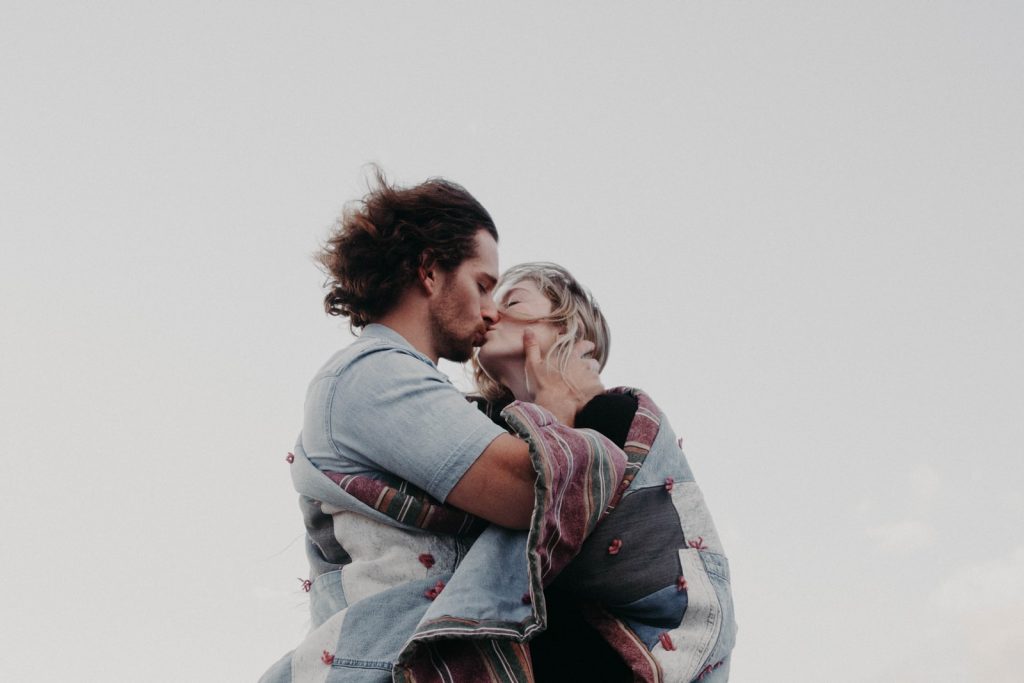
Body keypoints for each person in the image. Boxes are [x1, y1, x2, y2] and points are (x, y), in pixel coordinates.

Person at [260, 172, 606, 683]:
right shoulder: (374, 373)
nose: (490, 311)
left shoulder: (411, 384)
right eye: (483, 286)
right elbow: (536, 496)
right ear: (428, 271)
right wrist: (556, 400)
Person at [472, 262, 737, 682]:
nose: (489, 312)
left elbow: (547, 526)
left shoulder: (614, 415)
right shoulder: (481, 429)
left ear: (566, 329)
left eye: (513, 301)